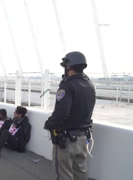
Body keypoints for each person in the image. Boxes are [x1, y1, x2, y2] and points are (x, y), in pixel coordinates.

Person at [44, 51, 96, 180]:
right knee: (80, 171)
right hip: (83, 137)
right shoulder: (89, 85)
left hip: (66, 140)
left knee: (63, 174)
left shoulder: (67, 86)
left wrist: (49, 125)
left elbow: (61, 113)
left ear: (68, 66)